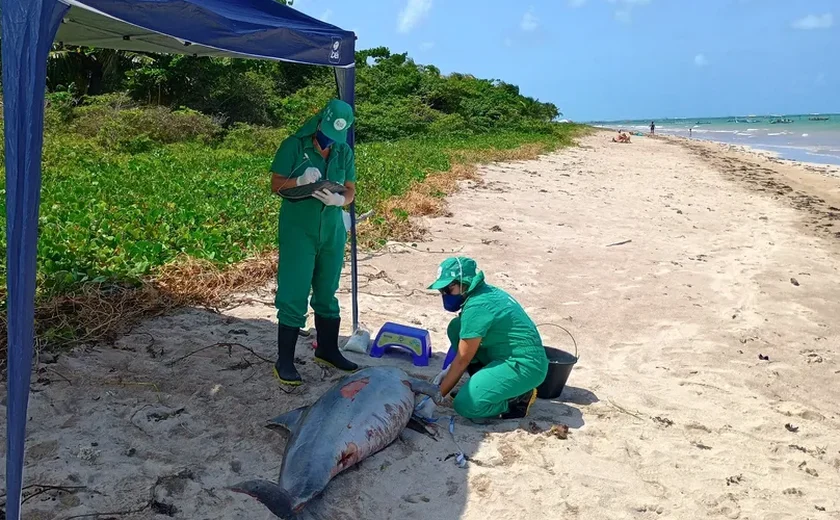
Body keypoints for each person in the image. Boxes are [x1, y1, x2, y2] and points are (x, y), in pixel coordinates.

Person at [268, 98, 359, 386]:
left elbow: (351, 190)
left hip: (332, 229)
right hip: (299, 230)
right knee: (294, 291)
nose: (331, 140)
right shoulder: (294, 145)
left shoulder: (343, 151)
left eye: (337, 135)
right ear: (321, 121)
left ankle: (328, 350)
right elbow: (276, 184)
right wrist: (299, 181)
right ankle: (285, 360)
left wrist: (339, 200)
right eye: (329, 132)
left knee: (327, 289)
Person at [427, 257, 548, 421]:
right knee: (457, 327)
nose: (445, 295)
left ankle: (517, 400)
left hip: (525, 364)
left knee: (466, 405)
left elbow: (462, 360)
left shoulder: (478, 306)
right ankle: (486, 383)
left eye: (449, 289)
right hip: (506, 353)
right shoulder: (482, 292)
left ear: (465, 282)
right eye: (442, 291)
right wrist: (448, 370)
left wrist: (436, 397)